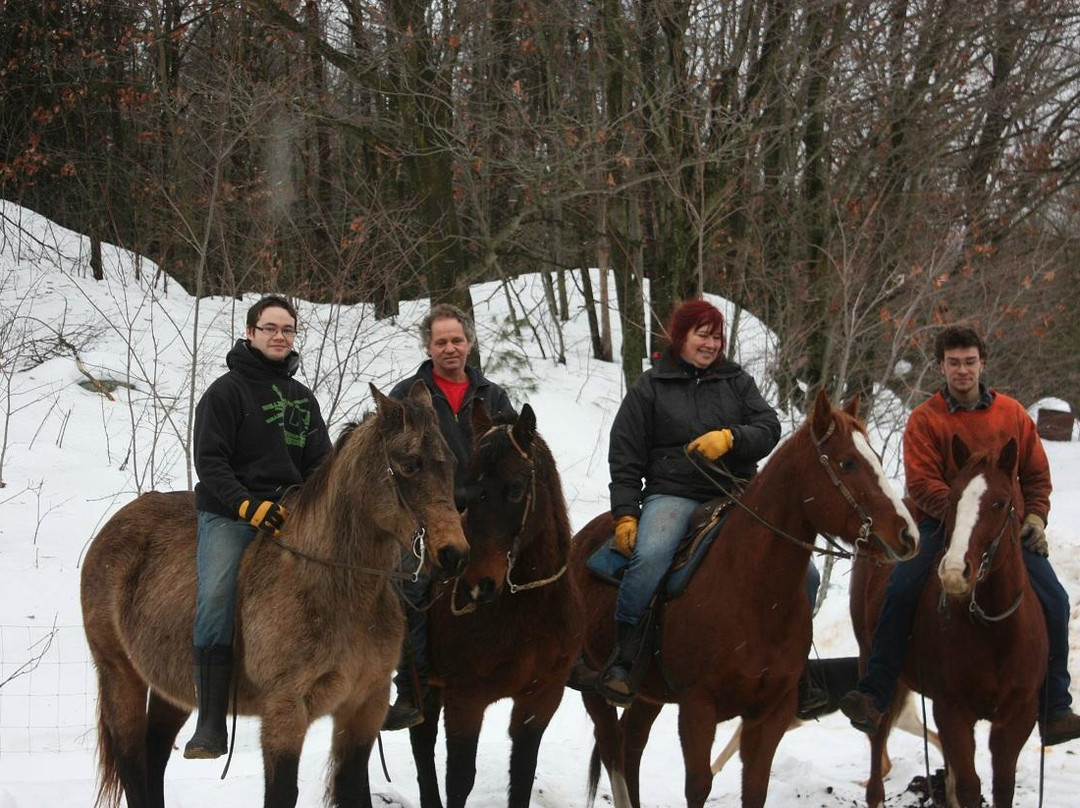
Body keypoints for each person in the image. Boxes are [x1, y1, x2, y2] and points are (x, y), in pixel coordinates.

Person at [840, 325, 1080, 745]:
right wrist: (961, 518)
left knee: (1056, 601)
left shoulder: (1013, 415)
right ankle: (876, 693)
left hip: (1004, 526)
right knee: (899, 590)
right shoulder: (925, 419)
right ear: (941, 366)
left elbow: (1037, 477)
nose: (963, 370)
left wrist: (1035, 518)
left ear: (981, 363)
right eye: (954, 363)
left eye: (969, 361)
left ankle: (1054, 706)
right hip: (941, 523)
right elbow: (920, 484)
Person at [597, 299, 797, 707]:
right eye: (701, 335)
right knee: (651, 555)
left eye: (717, 336)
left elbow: (769, 427)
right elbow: (625, 456)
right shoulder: (650, 387)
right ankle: (625, 653)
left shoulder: (737, 381)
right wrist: (625, 515)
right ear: (680, 337)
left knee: (802, 572)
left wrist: (731, 438)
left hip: (737, 493)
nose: (710, 344)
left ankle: (797, 669)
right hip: (674, 492)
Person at [184, 295, 332, 759]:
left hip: (289, 516)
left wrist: (312, 509)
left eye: (287, 329)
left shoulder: (303, 399)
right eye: (270, 328)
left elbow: (321, 466)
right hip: (230, 514)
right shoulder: (225, 392)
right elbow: (210, 462)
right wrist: (247, 506)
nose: (279, 336)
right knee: (216, 592)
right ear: (250, 333)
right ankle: (210, 720)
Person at [383, 303, 515, 731]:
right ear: (428, 346)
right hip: (424, 514)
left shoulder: (492, 396)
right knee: (411, 581)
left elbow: (511, 456)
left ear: (470, 343)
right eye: (441, 341)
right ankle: (413, 686)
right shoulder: (409, 394)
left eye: (457, 340)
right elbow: (396, 460)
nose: (450, 348)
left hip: (480, 512)